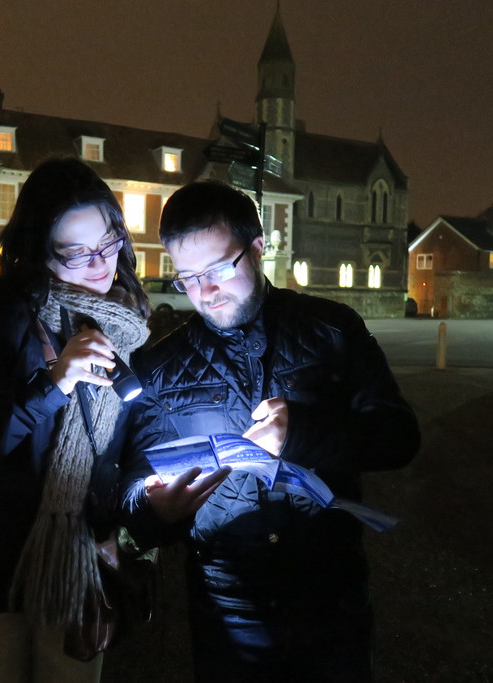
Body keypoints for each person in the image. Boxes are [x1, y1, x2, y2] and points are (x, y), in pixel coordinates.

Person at [121, 180, 420, 682]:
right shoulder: (158, 367)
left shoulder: (333, 330)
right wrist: (155, 513)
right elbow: (129, 488)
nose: (204, 292)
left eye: (218, 270)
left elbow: (399, 436)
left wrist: (302, 433)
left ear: (258, 249)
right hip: (226, 609)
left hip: (330, 598)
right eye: (187, 278)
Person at [0, 157, 151, 683]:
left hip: (77, 571)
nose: (99, 264)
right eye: (76, 252)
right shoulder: (2, 309)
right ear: (40, 249)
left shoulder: (123, 321)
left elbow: (114, 449)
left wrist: (115, 531)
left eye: (110, 242)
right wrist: (52, 384)